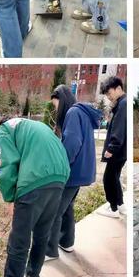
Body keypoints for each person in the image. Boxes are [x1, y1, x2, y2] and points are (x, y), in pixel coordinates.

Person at [0, 118, 70, 277]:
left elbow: (5, 167)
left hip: (33, 181)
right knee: (42, 232)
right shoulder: (36, 126)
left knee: (19, 240)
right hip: (59, 178)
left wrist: (10, 198)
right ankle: (34, 273)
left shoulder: (4, 130)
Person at [46, 85, 101, 259]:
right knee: (67, 207)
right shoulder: (81, 112)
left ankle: (49, 250)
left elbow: (72, 143)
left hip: (73, 171)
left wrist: (61, 167)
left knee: (54, 211)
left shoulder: (72, 113)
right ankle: (66, 242)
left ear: (61, 100)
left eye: (55, 105)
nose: (56, 110)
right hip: (82, 170)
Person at [97, 77, 127, 218]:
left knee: (108, 178)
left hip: (117, 150)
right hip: (121, 150)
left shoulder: (123, 104)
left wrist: (111, 148)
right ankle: (120, 205)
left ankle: (113, 208)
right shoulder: (121, 103)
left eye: (109, 93)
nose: (109, 97)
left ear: (118, 88)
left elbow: (118, 129)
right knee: (114, 177)